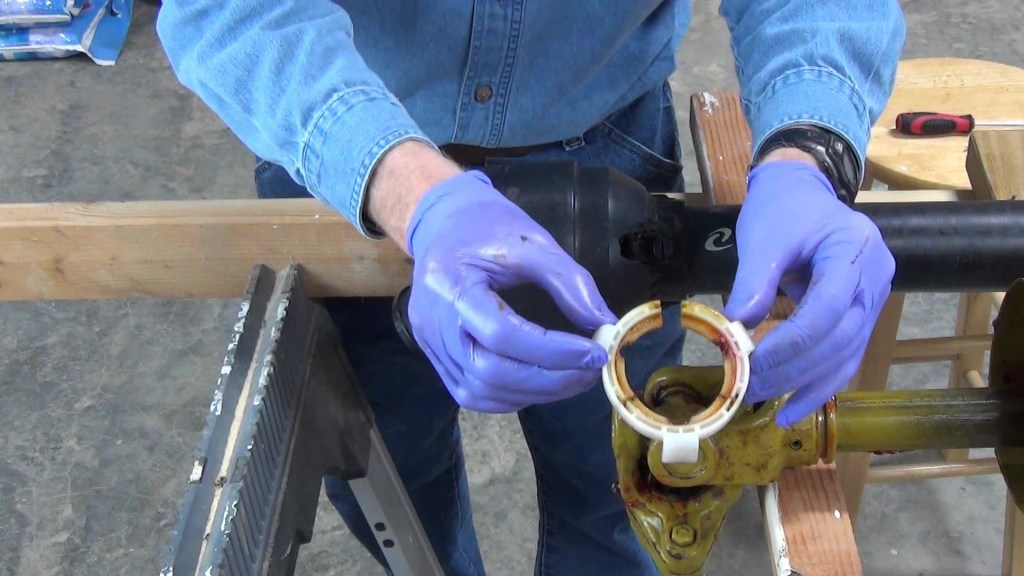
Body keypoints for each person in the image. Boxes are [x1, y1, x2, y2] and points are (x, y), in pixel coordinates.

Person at [155, 2, 905, 574]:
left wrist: (809, 149)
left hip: (608, 147)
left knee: (618, 486)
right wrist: (408, 189)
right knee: (394, 483)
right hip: (342, 160)